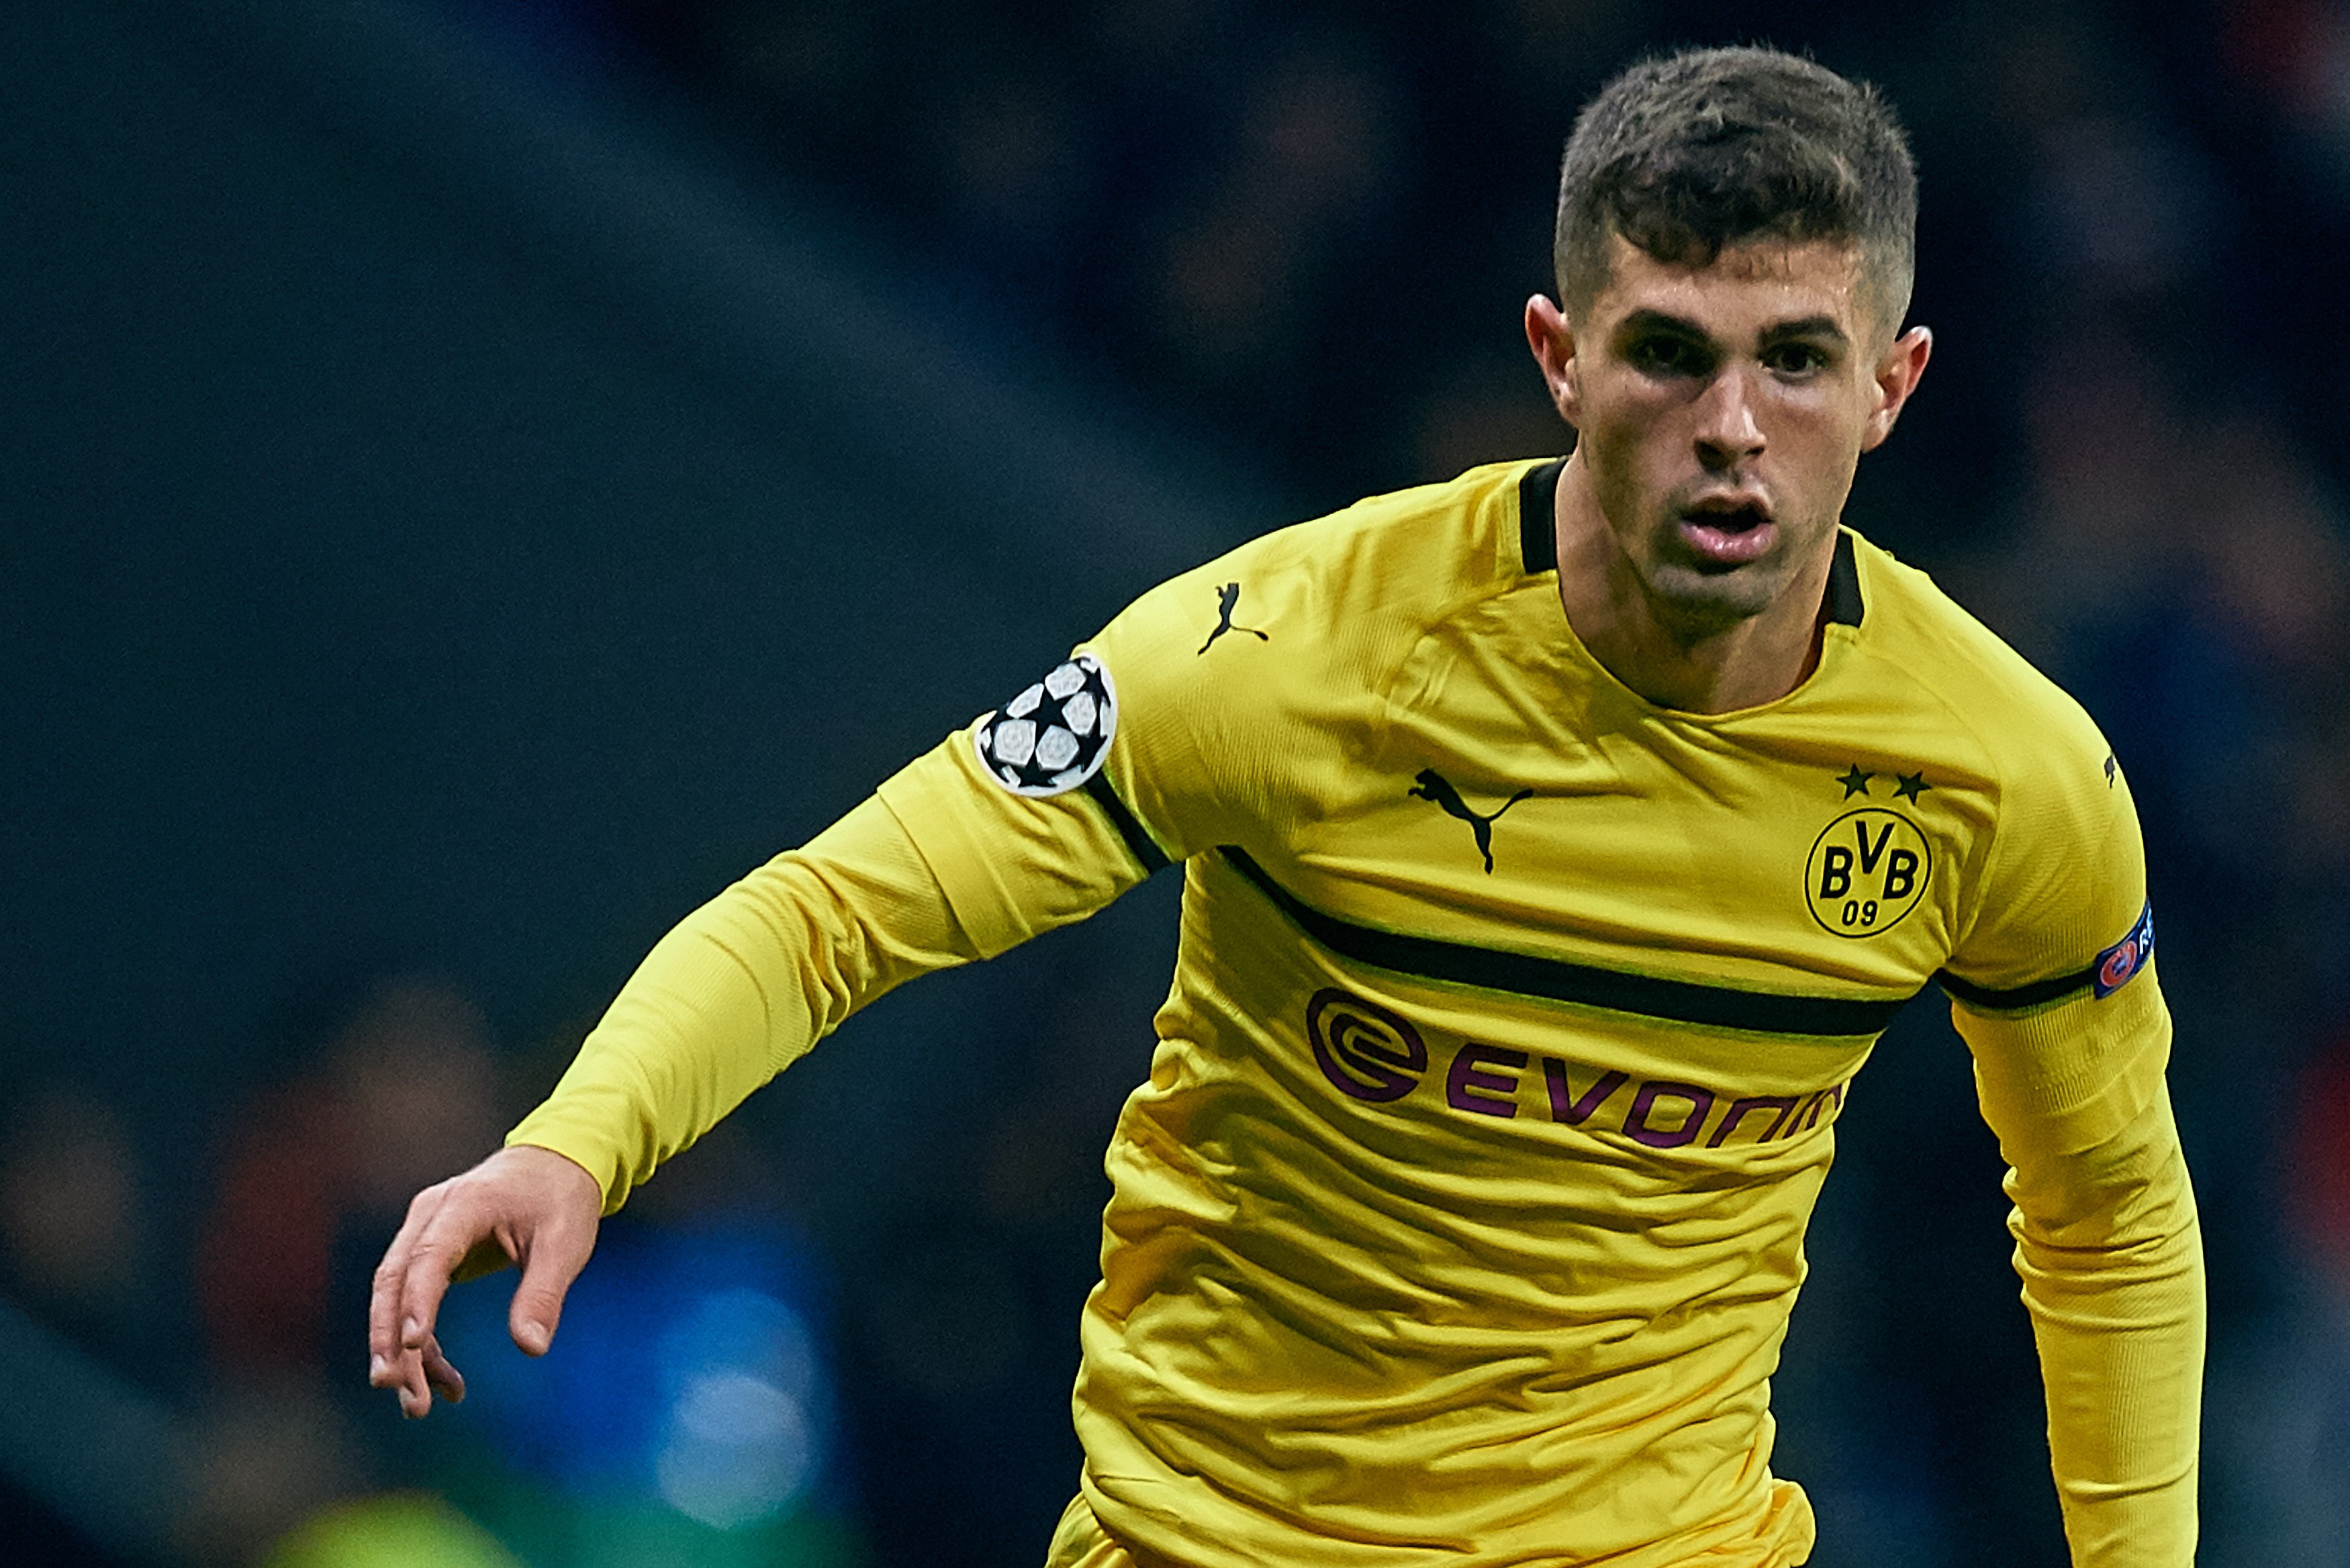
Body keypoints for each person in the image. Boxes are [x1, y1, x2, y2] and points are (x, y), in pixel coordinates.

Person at [369, 45, 2202, 1567]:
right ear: (1560, 361)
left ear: (1888, 388)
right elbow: (844, 904)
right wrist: (579, 1139)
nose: (1732, 423)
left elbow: (2108, 1213)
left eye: (1793, 360)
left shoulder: (2003, 779)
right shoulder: (1281, 655)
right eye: (1667, 352)